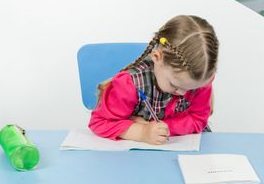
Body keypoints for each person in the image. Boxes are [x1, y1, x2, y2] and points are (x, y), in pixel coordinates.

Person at [89, 15, 219, 145]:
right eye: (174, 85)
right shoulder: (130, 85)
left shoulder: (200, 79)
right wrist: (141, 132)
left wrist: (161, 128)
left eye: (192, 89)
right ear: (157, 57)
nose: (183, 93)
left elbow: (198, 119)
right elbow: (100, 122)